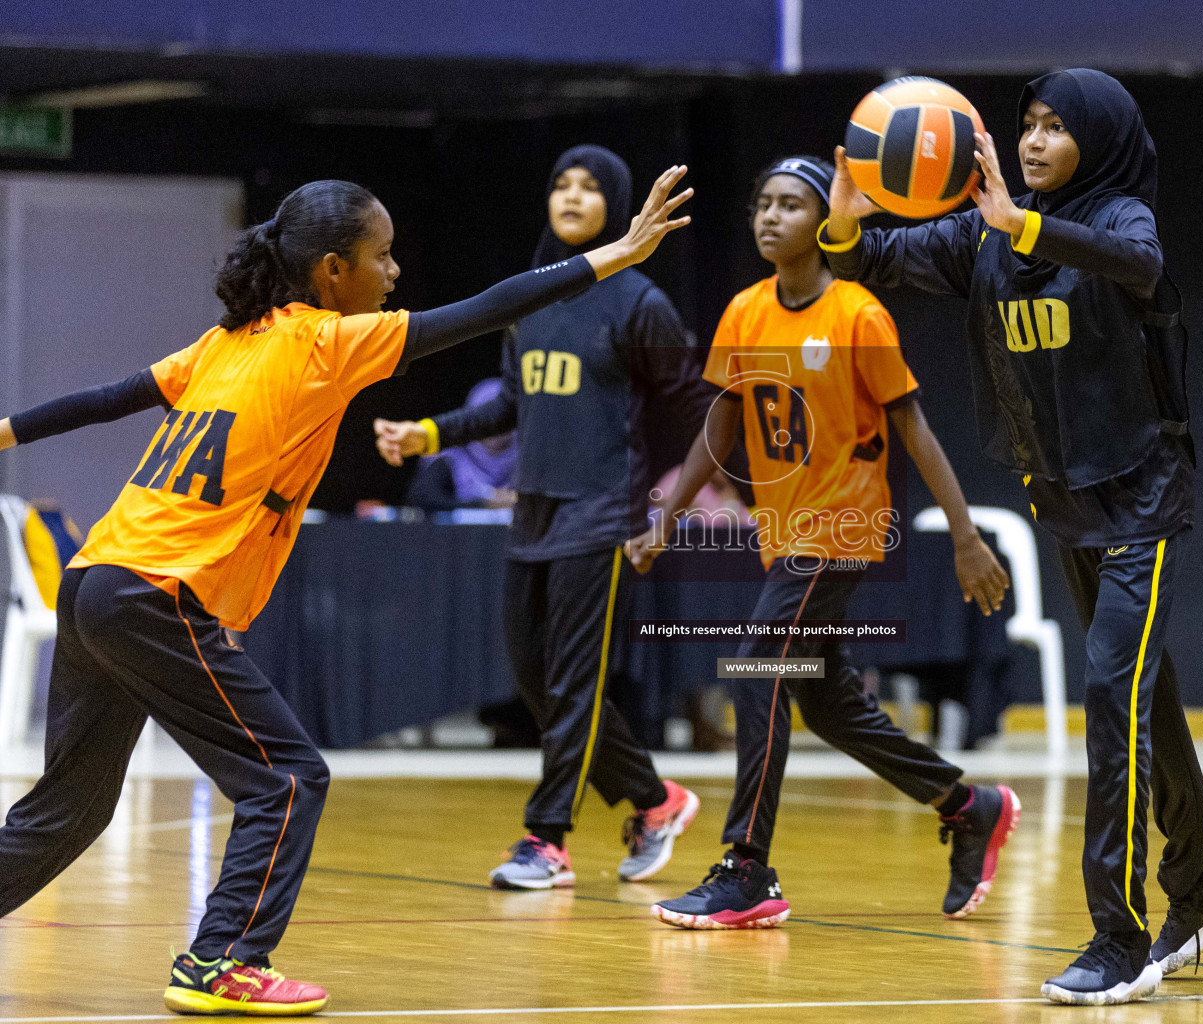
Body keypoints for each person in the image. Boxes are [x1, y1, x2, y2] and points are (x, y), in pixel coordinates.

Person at [0, 167, 691, 1015]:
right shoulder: (327, 342)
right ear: (333, 272)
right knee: (287, 779)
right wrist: (616, 255)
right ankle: (219, 963)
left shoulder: (229, 341)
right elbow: (489, 307)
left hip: (95, 579)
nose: (395, 274)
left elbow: (109, 400)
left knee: (67, 811)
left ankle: (217, 957)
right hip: (156, 594)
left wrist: (7, 429)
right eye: (383, 256)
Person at [820, 70, 1203, 1005]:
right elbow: (869, 264)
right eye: (1027, 124)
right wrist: (848, 221)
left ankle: (1119, 935)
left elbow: (1140, 271)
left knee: (1111, 688)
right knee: (1147, 690)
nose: (1033, 140)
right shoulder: (982, 238)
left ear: (1095, 143)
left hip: (1143, 495)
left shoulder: (1118, 219)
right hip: (1066, 499)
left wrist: (1018, 222)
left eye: (1056, 128)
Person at [628, 156, 1017, 930]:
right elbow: (722, 423)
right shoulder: (744, 312)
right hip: (783, 536)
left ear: (823, 222)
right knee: (827, 700)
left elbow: (915, 427)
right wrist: (668, 515)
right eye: (761, 204)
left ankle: (747, 867)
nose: (771, 217)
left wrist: (967, 537)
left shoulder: (860, 316)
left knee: (758, 666)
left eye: (791, 205)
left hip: (841, 529)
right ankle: (967, 806)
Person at [373, 146, 709, 891]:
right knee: (537, 680)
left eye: (591, 187)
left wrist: (677, 503)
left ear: (616, 205)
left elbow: (696, 410)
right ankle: (656, 801)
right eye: (562, 182)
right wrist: (427, 434)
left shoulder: (639, 304)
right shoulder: (527, 300)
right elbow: (511, 406)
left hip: (602, 513)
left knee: (575, 685)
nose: (572, 195)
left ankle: (546, 839)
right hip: (534, 512)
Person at [405, 378, 518, 512]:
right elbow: (423, 499)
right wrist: (484, 504)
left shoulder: (528, 457)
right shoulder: (453, 455)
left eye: (503, 422)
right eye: (487, 421)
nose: (495, 429)